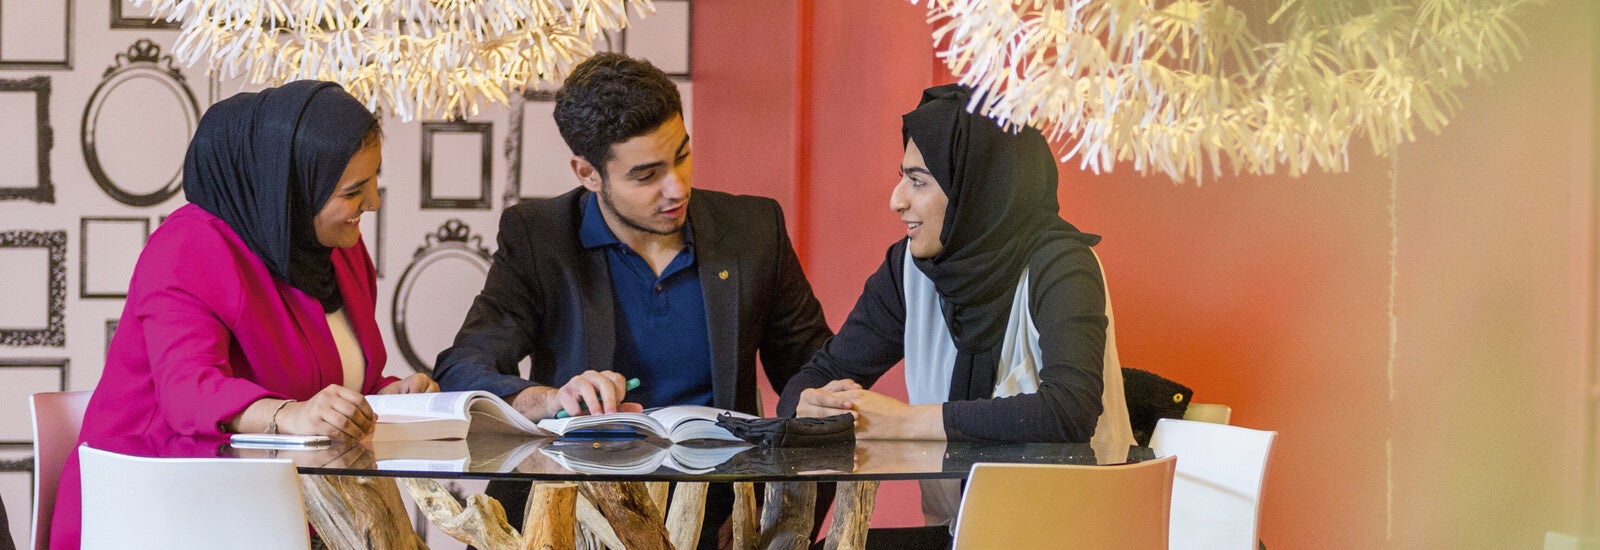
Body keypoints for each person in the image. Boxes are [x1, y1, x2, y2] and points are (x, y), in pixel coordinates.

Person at [433, 52, 832, 548]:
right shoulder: (539, 238)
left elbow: (817, 381)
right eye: (646, 176)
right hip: (571, 518)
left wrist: (778, 508)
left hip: (715, 521)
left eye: (682, 156)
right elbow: (461, 369)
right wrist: (552, 399)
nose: (676, 188)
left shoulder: (753, 230)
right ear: (588, 173)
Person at [49, 80, 437, 549]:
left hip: (279, 508)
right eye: (354, 190)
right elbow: (188, 391)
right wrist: (291, 414)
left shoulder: (339, 251)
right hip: (160, 510)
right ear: (292, 189)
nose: (373, 201)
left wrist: (384, 395)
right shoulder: (189, 245)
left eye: (373, 180)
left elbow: (322, 380)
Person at [777, 84, 1136, 546]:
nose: (896, 200)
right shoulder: (910, 269)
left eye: (918, 181)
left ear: (978, 186)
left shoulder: (1064, 266)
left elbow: (1069, 411)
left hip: (1072, 534)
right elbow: (819, 372)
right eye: (903, 177)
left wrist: (904, 422)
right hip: (960, 534)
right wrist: (807, 403)